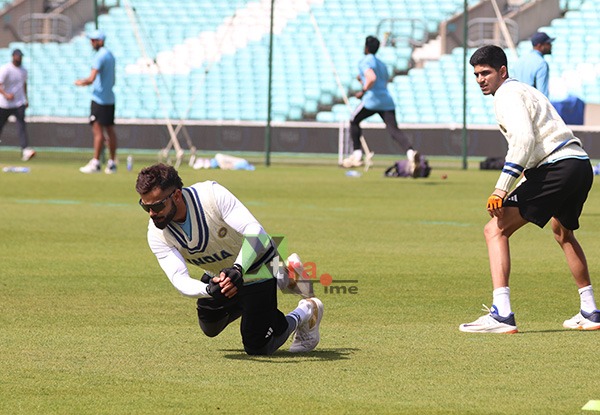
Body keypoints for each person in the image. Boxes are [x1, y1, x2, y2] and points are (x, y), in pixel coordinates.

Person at [459, 45, 599, 334]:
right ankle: (590, 310)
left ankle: (502, 314)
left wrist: (501, 190)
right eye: (476, 75)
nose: (480, 79)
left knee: (494, 230)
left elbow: (523, 141)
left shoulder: (506, 95)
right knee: (563, 232)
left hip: (557, 167)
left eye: (485, 73)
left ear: (502, 71)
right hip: (578, 165)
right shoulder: (525, 91)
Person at [135, 163, 324, 355]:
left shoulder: (211, 195)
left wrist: (238, 269)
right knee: (210, 326)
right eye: (145, 207)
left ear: (176, 195)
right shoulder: (157, 234)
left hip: (257, 264)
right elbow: (178, 278)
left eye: (157, 205)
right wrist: (209, 289)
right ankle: (285, 275)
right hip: (221, 274)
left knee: (257, 346)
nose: (152, 214)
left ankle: (306, 311)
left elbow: (255, 231)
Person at [342, 35, 420, 177]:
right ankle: (410, 153)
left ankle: (357, 154)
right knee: (393, 130)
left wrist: (363, 90)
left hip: (372, 100)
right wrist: (363, 79)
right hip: (386, 100)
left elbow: (371, 78)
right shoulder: (382, 65)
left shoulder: (365, 61)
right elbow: (378, 80)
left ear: (366, 47)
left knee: (354, 120)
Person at [75, 29, 118, 174]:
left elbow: (91, 78)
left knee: (97, 130)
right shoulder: (110, 55)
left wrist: (81, 82)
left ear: (99, 41)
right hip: (109, 98)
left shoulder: (100, 56)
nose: (91, 43)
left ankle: (96, 162)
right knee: (109, 130)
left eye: (93, 40)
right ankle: (112, 163)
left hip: (99, 99)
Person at [0, 49, 35, 161]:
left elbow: (24, 85)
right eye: (17, 56)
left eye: (20, 56)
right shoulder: (6, 69)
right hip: (4, 104)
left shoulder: (23, 70)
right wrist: (6, 95)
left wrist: (26, 99)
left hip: (18, 103)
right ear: (13, 56)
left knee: (21, 127)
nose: (19, 58)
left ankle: (25, 150)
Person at [511, 31, 554, 97]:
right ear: (540, 46)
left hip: (518, 101)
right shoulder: (541, 63)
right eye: (548, 43)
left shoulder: (519, 60)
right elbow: (543, 94)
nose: (551, 45)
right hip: (532, 104)